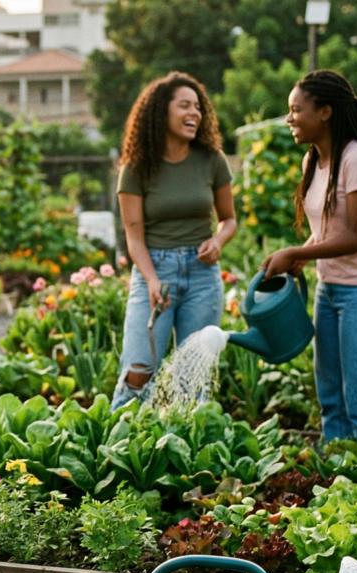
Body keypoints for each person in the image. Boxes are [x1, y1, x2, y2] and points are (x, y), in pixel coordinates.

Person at [260, 70, 357, 443]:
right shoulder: (314, 162)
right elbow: (329, 227)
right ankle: (340, 479)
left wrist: (294, 250)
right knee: (332, 399)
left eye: (296, 109)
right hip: (331, 288)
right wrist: (305, 253)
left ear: (324, 112)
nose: (289, 118)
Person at [111, 72, 236, 409]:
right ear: (160, 112)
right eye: (184, 106)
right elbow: (134, 237)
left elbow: (229, 219)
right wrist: (152, 280)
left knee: (192, 377)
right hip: (156, 271)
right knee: (139, 370)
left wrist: (219, 241)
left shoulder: (212, 160)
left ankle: (186, 456)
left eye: (198, 107)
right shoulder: (136, 167)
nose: (194, 113)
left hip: (202, 276)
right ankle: (115, 452)